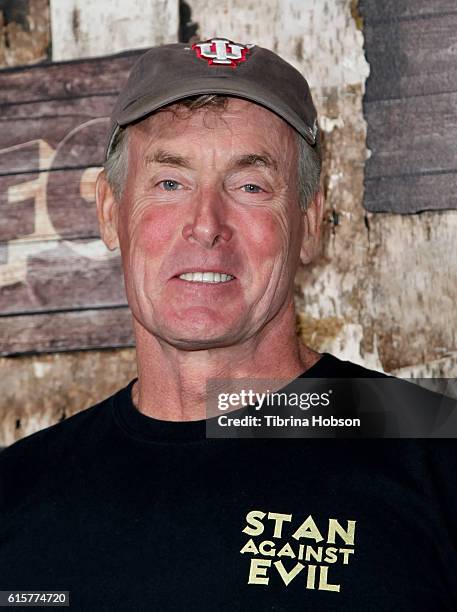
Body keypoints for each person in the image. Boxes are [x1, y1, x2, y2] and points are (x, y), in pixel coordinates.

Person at [1, 38, 456, 611]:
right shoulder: (18, 490)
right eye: (170, 183)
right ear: (110, 212)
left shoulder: (433, 446)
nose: (205, 225)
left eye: (249, 186)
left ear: (309, 222)